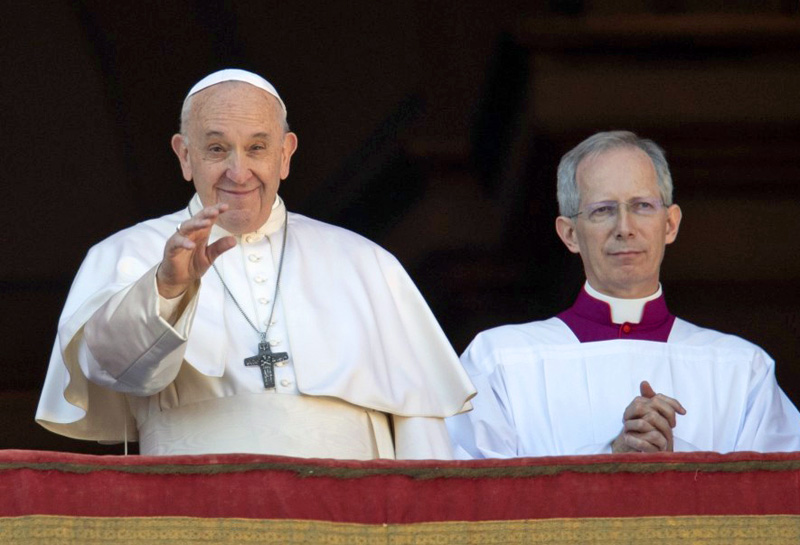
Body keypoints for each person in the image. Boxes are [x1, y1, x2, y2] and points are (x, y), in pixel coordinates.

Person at [36, 68, 475, 459]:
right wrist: (166, 289)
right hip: (192, 516)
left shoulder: (366, 264)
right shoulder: (127, 253)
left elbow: (422, 428)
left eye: (257, 147)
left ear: (285, 154)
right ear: (184, 156)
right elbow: (112, 369)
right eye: (216, 149)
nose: (238, 172)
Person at [447, 130, 800, 458]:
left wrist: (673, 464)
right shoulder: (499, 363)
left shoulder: (741, 370)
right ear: (569, 233)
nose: (625, 228)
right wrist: (611, 462)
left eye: (642, 206)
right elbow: (472, 502)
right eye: (603, 210)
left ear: (671, 224)